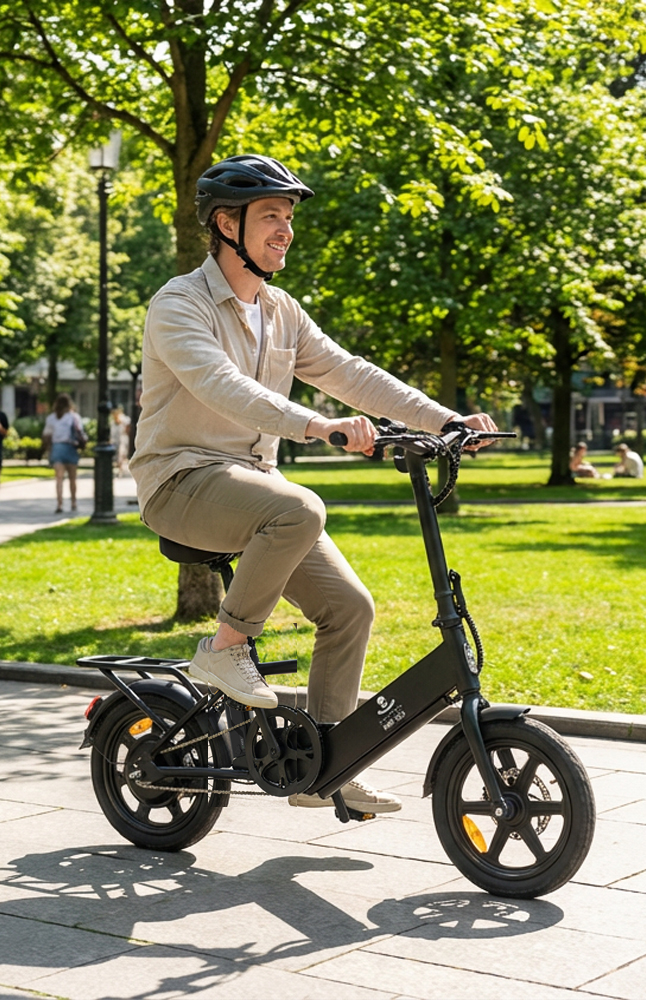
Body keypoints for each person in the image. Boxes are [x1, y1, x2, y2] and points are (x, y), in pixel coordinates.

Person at [133, 153, 498, 815]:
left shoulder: (280, 312)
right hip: (180, 483)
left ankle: (329, 763)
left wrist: (443, 417)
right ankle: (223, 649)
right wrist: (316, 425)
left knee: (349, 608)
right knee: (300, 507)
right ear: (225, 223)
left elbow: (350, 373)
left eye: (289, 217)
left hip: (253, 489)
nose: (286, 230)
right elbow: (222, 386)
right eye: (271, 215)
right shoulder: (179, 304)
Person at [42, 392, 86, 513]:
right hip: (71, 448)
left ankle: (59, 504)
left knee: (59, 479)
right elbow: (80, 432)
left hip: (57, 448)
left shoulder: (51, 418)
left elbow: (46, 436)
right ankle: (73, 502)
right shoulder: (74, 417)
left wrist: (48, 451)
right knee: (73, 478)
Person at [110, 406, 132, 476]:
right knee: (116, 456)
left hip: (122, 439)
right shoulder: (113, 422)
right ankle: (120, 468)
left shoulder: (124, 420)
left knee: (121, 454)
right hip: (115, 441)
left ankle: (120, 470)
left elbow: (128, 427)